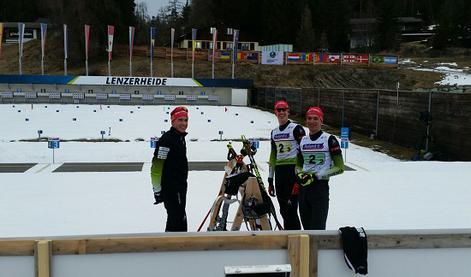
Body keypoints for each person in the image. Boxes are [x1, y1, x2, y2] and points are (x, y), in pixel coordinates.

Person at [296, 106, 345, 230]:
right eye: (309, 118)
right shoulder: (303, 140)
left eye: (315, 118)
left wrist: (317, 175)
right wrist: (300, 174)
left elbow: (340, 167)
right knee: (306, 228)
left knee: (318, 230)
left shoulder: (329, 139)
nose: (312, 121)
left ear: (321, 121)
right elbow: (298, 165)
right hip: (304, 188)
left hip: (320, 188)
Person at [268, 100, 306, 230]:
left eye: (284, 109)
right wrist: (270, 178)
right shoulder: (274, 132)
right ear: (275, 112)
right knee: (283, 208)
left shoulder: (296, 129)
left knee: (292, 208)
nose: (282, 112)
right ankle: (287, 235)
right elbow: (273, 155)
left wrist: (299, 174)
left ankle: (296, 236)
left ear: (288, 111)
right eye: (279, 110)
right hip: (279, 172)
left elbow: (304, 152)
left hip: (292, 171)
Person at [151, 106, 189, 232]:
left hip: (180, 186)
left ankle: (169, 247)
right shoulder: (167, 140)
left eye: (185, 120)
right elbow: (156, 166)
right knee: (179, 220)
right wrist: (157, 190)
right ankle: (179, 248)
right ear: (173, 121)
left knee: (175, 220)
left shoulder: (180, 138)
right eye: (180, 120)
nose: (183, 123)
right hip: (171, 188)